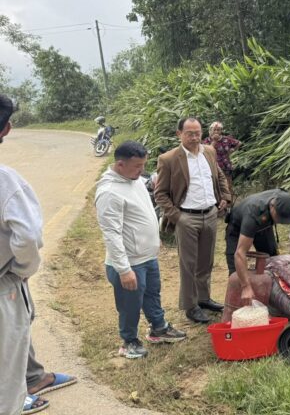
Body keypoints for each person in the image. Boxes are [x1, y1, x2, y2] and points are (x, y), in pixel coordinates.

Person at [95, 141, 187, 359]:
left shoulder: (133, 179)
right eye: (137, 166)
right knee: (130, 305)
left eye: (143, 165)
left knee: (152, 295)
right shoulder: (109, 192)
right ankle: (128, 341)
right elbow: (112, 235)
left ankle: (159, 328)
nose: (141, 170)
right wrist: (124, 269)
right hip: (129, 262)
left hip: (147, 256)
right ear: (120, 165)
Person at [154, 117, 232, 324]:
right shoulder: (169, 159)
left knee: (206, 261)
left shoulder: (209, 151)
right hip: (186, 217)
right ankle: (190, 305)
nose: (195, 137)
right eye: (189, 133)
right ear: (179, 134)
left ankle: (204, 298)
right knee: (188, 264)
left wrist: (224, 197)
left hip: (210, 214)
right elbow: (160, 193)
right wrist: (178, 217)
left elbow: (220, 176)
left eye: (197, 133)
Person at [0, 94, 47, 415]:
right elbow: (28, 236)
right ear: (7, 129)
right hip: (4, 289)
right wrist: (22, 270)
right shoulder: (6, 182)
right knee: (6, 386)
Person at [232, 190, 290, 304]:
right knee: (236, 273)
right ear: (272, 206)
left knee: (272, 262)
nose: (280, 221)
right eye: (279, 217)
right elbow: (240, 253)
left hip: (263, 226)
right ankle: (239, 305)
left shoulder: (282, 197)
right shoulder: (253, 215)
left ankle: (271, 298)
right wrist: (245, 286)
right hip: (238, 228)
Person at [202, 121, 241, 195]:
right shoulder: (207, 140)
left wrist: (232, 150)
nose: (216, 131)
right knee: (216, 187)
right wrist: (214, 141)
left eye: (218, 129)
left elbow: (238, 143)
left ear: (221, 130)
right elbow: (207, 151)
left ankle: (230, 204)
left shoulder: (226, 139)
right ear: (211, 130)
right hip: (213, 166)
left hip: (225, 165)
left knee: (228, 186)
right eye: (214, 129)